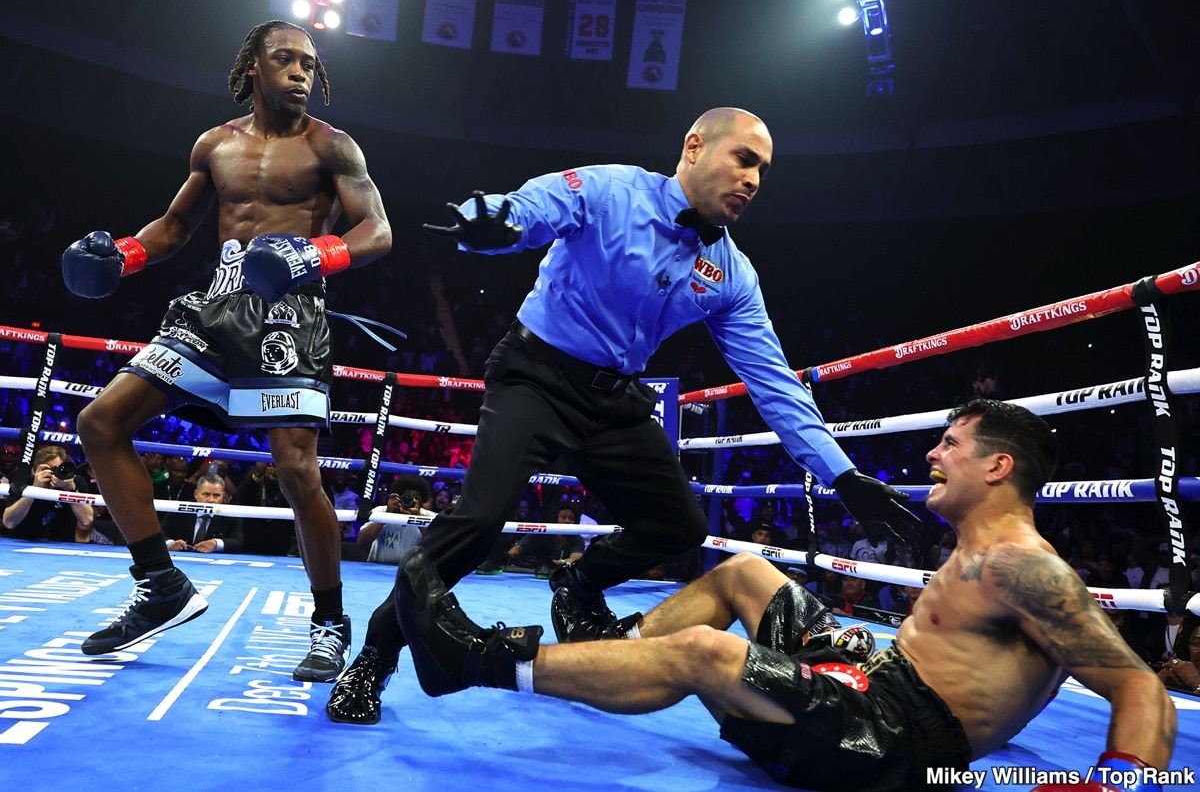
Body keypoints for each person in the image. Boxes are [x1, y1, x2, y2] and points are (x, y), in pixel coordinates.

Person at [326, 106, 919, 723]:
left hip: (614, 398)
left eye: (764, 171)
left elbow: (770, 378)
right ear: (694, 147)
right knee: (478, 522)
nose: (753, 181)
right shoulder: (614, 190)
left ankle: (578, 587)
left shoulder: (733, 274)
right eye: (743, 159)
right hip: (536, 376)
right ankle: (375, 656)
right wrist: (495, 222)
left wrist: (841, 473)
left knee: (679, 525)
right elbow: (536, 206)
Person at [395, 399, 1176, 791]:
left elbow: (1139, 682)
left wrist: (1121, 780)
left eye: (951, 445)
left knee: (706, 652)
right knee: (746, 572)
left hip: (896, 739)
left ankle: (475, 660)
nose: (934, 455)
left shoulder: (1024, 567)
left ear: (998, 467)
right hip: (874, 678)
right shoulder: (979, 550)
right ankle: (618, 656)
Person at [60, 19, 392, 681]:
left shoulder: (332, 146)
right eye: (286, 60)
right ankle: (160, 583)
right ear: (253, 70)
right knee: (101, 421)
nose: (301, 72)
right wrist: (124, 254)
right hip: (216, 308)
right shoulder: (216, 144)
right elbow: (177, 225)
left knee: (297, 471)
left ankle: (329, 622)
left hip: (289, 315)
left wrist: (313, 254)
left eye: (309, 63)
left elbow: (377, 230)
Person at [1, 445, 93, 543]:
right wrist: (33, 491)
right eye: (47, 469)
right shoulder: (22, 483)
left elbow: (87, 520)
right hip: (24, 543)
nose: (53, 474)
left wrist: (70, 490)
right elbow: (9, 522)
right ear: (34, 471)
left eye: (57, 469)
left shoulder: (74, 482)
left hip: (63, 546)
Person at [159, 473, 245, 554]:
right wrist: (170, 543)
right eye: (206, 494)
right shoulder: (180, 510)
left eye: (216, 495)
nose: (211, 500)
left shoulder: (230, 514)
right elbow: (159, 534)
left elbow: (238, 543)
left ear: (223, 496)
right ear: (196, 494)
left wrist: (216, 544)